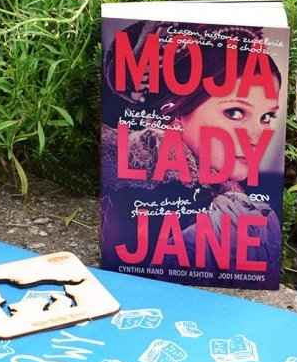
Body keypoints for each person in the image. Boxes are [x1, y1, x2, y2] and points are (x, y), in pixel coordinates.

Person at [100, 20, 284, 287]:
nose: (257, 136)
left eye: (266, 117)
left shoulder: (229, 197)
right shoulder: (182, 210)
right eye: (235, 112)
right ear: (173, 112)